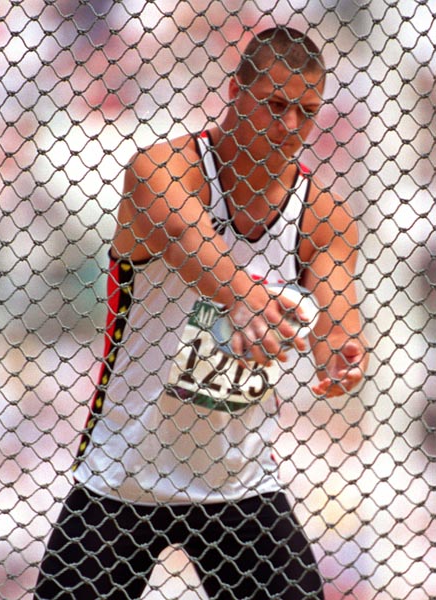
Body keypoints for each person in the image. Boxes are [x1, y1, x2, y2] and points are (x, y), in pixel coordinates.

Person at [35, 26, 369, 600]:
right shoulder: (162, 171)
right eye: (277, 105)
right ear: (236, 91)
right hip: (122, 477)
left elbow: (338, 311)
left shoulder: (324, 216)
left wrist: (339, 353)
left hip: (239, 485)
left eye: (307, 112)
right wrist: (243, 298)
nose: (292, 127)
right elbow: (182, 234)